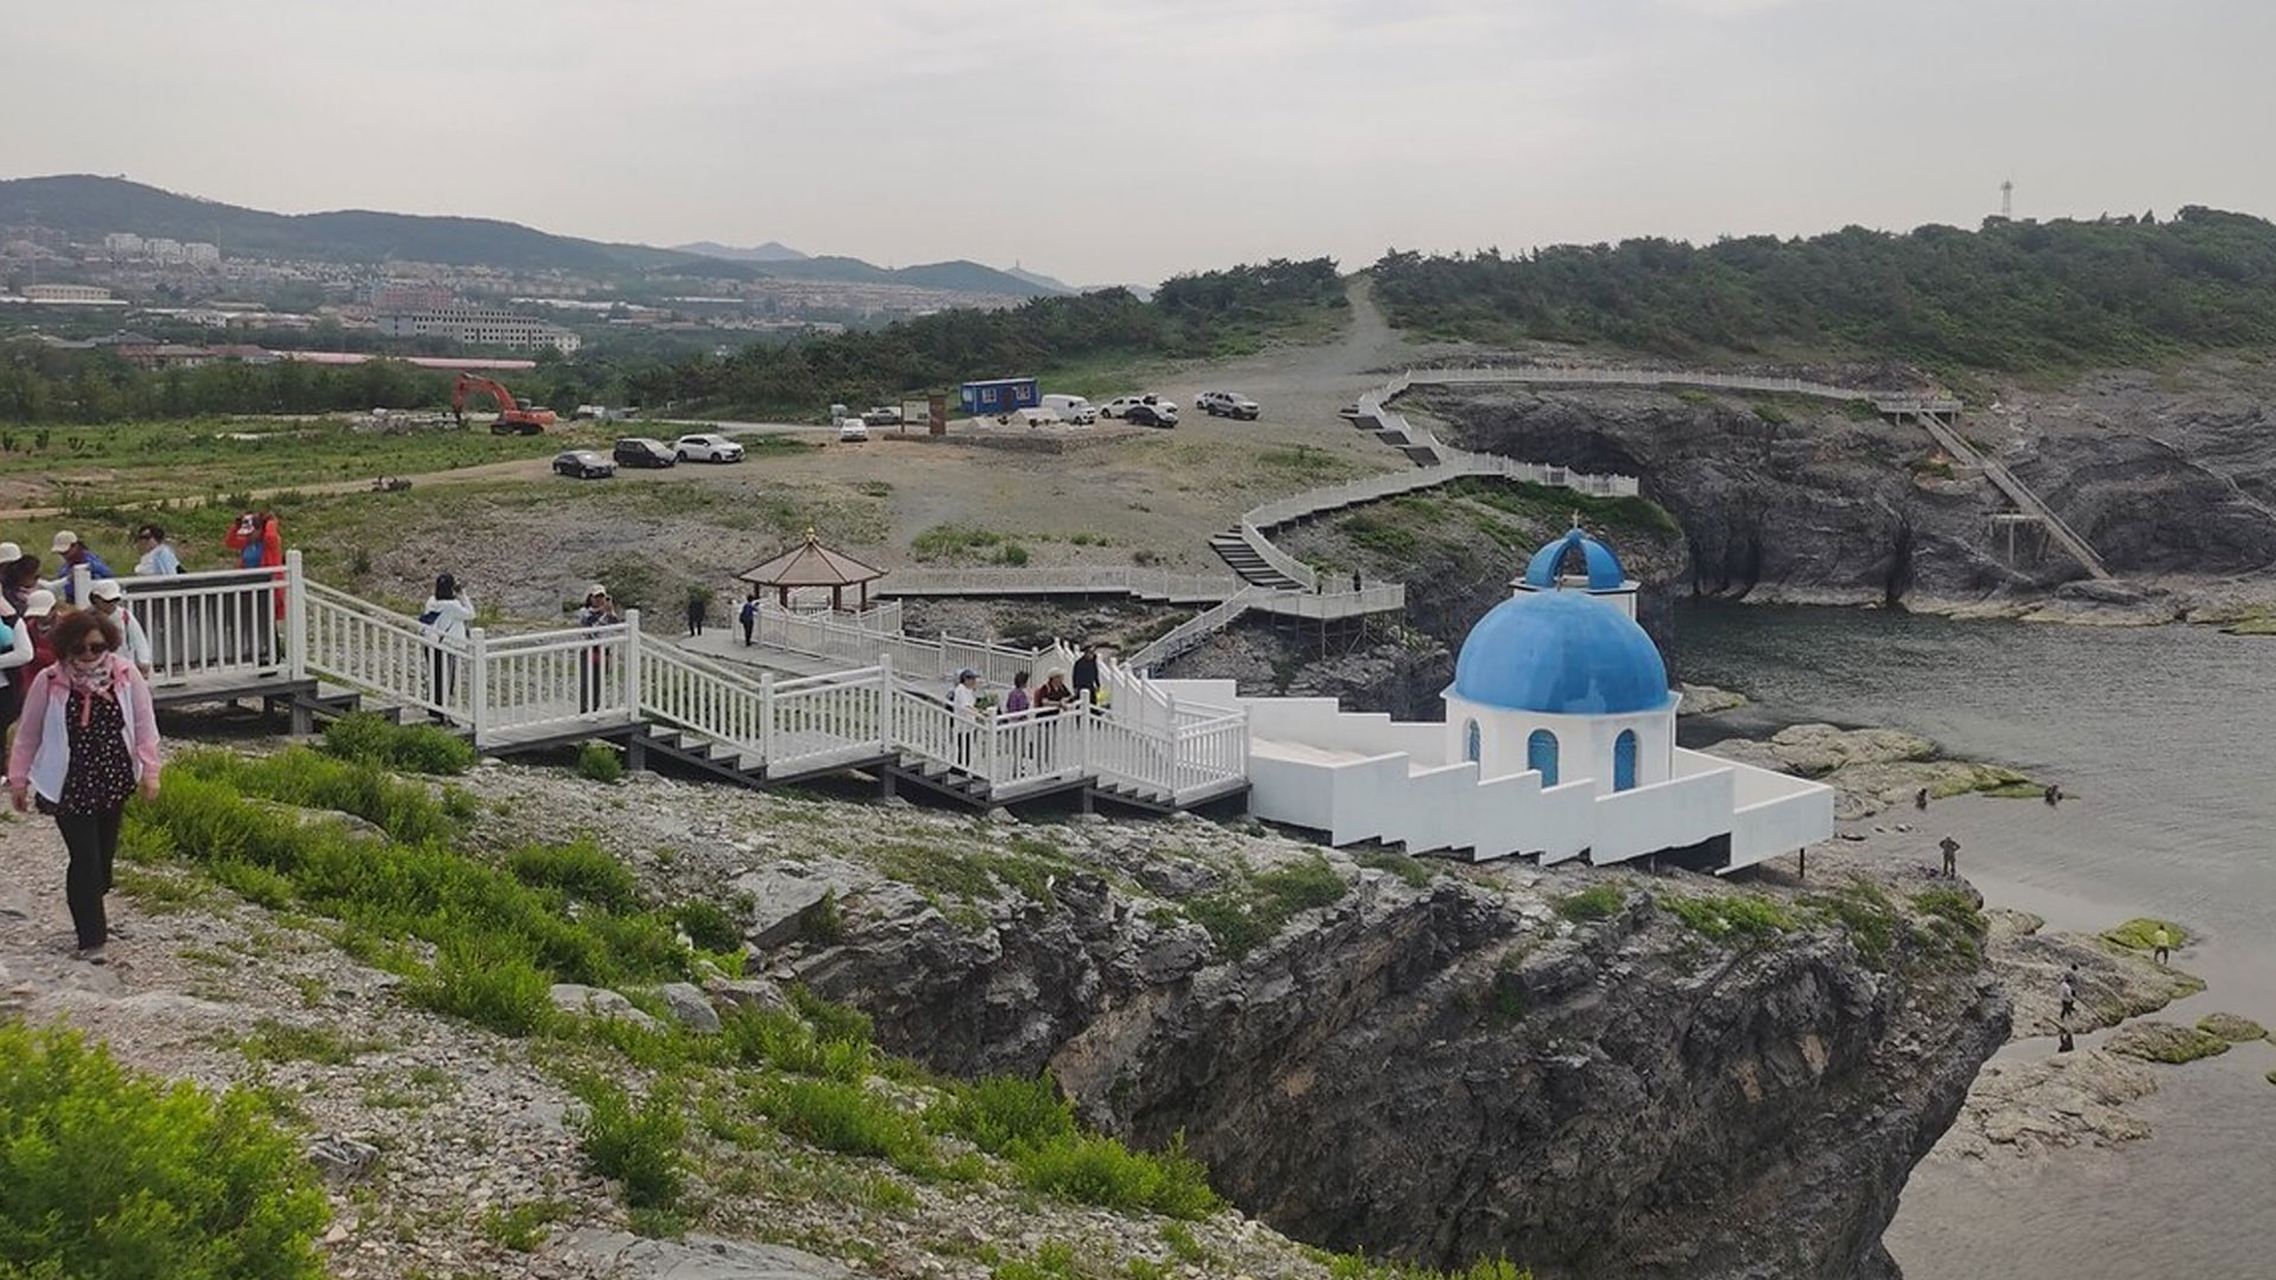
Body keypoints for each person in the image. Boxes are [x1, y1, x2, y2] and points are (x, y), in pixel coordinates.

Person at [8, 610, 163, 964]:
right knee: (85, 859)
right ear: (65, 648)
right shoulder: (49, 681)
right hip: (67, 783)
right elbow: (28, 733)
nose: (89, 655)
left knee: (103, 862)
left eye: (97, 647)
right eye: (80, 648)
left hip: (113, 778)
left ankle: (93, 898)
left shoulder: (125, 675)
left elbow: (144, 724)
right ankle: (91, 938)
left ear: (109, 644)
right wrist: (19, 779)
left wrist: (151, 771)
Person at [420, 573, 477, 708]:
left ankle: (433, 707)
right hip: (447, 645)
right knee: (447, 679)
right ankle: (443, 710)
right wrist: (462, 595)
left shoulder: (432, 601)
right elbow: (471, 614)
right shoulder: (452, 605)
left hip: (431, 642)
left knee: (435, 677)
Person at [86, 580, 153, 676]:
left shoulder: (125, 616)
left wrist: (144, 660)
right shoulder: (87, 618)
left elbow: (138, 638)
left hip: (124, 666)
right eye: (108, 601)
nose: (112, 604)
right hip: (96, 668)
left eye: (115, 600)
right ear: (96, 599)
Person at [576, 585, 621, 714]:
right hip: (588, 650)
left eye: (602, 597)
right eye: (596, 597)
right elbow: (590, 626)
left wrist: (610, 613)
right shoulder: (584, 612)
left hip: (603, 651)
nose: (599, 600)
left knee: (599, 681)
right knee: (586, 682)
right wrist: (603, 614)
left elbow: (617, 626)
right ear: (590, 598)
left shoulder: (608, 613)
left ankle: (595, 708)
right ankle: (584, 709)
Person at [46, 531, 113, 604]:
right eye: (61, 553)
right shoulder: (65, 567)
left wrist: (88, 569)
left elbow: (108, 574)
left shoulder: (91, 561)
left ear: (75, 546)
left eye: (66, 552)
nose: (65, 556)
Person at [949, 669, 979, 767]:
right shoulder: (961, 689)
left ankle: (962, 768)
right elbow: (965, 706)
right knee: (964, 749)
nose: (974, 681)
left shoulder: (969, 690)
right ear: (965, 680)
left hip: (969, 725)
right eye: (972, 679)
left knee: (967, 748)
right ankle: (960, 768)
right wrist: (979, 713)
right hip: (962, 725)